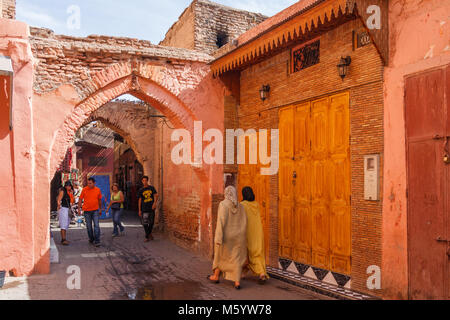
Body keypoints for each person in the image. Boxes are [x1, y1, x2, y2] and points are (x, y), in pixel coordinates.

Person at [208, 186, 248, 290]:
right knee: (236, 259)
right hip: (238, 236)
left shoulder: (223, 204)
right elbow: (244, 221)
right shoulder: (241, 206)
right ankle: (237, 282)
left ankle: (216, 276)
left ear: (226, 193)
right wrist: (242, 234)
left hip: (226, 236)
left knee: (220, 256)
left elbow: (221, 221)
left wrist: (218, 237)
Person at [241, 186, 269, 285]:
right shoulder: (256, 204)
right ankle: (243, 273)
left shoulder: (242, 205)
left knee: (251, 253)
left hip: (248, 232)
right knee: (258, 252)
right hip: (258, 232)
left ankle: (261, 274)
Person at [78, 177, 103, 247]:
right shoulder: (84, 189)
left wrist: (100, 209)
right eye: (88, 183)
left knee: (96, 226)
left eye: (90, 183)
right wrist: (79, 209)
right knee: (89, 227)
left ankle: (97, 240)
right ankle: (91, 238)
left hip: (95, 210)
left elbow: (100, 200)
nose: (89, 184)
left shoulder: (98, 190)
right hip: (86, 211)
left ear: (94, 183)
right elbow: (80, 199)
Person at [138, 176, 159, 242]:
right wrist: (139, 210)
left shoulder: (151, 188)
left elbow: (156, 195)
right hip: (144, 208)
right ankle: (147, 236)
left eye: (145, 180)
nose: (144, 182)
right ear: (142, 181)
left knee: (152, 222)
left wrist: (154, 203)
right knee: (145, 223)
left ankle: (149, 233)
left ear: (147, 181)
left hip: (151, 207)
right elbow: (140, 200)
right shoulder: (141, 190)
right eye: (143, 180)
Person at [56, 181, 75, 246]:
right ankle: (63, 239)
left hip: (68, 208)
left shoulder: (71, 192)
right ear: (65, 186)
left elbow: (73, 201)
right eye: (67, 186)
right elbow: (58, 199)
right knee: (63, 224)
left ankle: (64, 238)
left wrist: (72, 194)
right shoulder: (62, 191)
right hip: (63, 209)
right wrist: (58, 207)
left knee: (66, 223)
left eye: (69, 186)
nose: (68, 187)